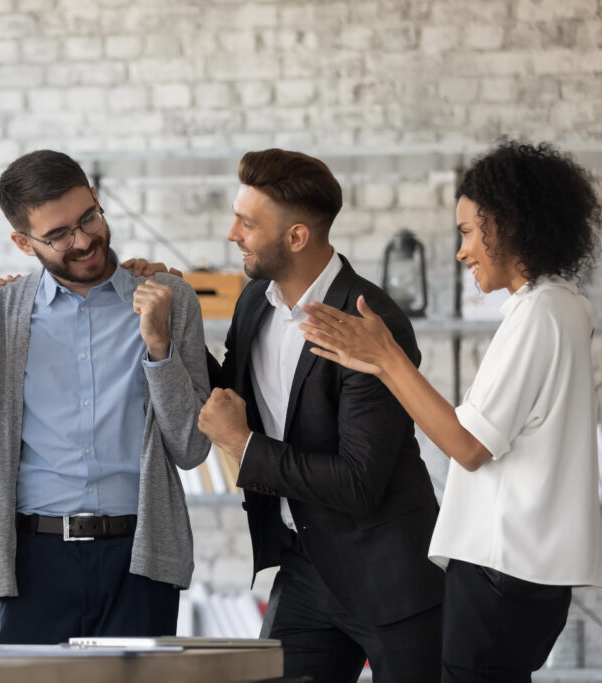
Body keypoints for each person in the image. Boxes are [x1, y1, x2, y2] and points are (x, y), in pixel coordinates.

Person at [300, 141, 602, 682]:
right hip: (522, 573)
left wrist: (387, 358)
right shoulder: (565, 307)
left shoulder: (541, 314)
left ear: (507, 225)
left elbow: (468, 446)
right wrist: (381, 364)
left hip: (500, 570)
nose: (461, 252)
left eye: (467, 231)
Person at [0, 150, 211, 644]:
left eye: (88, 216)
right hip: (35, 561)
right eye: (59, 234)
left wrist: (159, 348)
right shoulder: (0, 312)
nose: (84, 240)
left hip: (141, 556)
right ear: (23, 242)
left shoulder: (169, 299)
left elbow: (192, 449)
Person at [197, 149, 444, 681]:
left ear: (297, 237)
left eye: (247, 222)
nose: (231, 233)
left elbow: (359, 482)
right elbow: (231, 403)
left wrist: (242, 448)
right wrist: (171, 326)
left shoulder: (372, 321)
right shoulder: (253, 302)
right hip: (305, 567)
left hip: (390, 578)